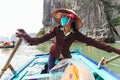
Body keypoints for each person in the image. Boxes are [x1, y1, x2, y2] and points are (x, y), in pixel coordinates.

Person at [16, 8, 120, 72]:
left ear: (71, 21)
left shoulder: (76, 34)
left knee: (66, 74)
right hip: (53, 53)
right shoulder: (57, 29)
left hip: (66, 56)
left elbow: (94, 43)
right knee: (50, 71)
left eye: (65, 17)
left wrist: (116, 50)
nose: (62, 19)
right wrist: (26, 36)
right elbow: (39, 40)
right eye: (61, 17)